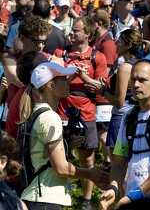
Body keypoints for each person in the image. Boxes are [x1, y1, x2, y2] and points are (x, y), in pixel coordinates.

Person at [19, 63, 109, 209]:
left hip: (36, 197)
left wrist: (66, 145)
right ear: (51, 86)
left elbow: (41, 156)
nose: (68, 81)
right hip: (46, 200)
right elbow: (60, 168)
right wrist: (90, 174)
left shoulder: (36, 113)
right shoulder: (50, 117)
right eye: (62, 78)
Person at [100, 60, 150, 209]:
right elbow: (119, 163)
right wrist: (113, 188)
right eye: (133, 80)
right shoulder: (128, 116)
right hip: (136, 201)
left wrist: (132, 197)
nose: (136, 85)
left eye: (142, 80)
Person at [53, 16, 108, 209]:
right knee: (60, 154)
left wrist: (81, 75)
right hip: (62, 113)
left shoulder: (97, 57)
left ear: (88, 34)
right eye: (72, 30)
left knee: (87, 158)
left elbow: (100, 87)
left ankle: (86, 199)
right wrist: (70, 77)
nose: (71, 33)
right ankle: (61, 191)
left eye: (76, 30)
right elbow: (53, 81)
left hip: (86, 114)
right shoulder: (61, 53)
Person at [102, 29, 150, 152]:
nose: (115, 43)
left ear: (128, 45)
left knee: (117, 162)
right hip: (136, 116)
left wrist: (102, 92)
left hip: (121, 117)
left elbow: (119, 102)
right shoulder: (141, 64)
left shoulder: (125, 67)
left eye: (119, 41)